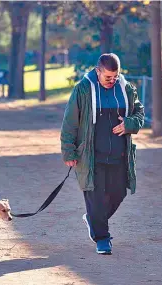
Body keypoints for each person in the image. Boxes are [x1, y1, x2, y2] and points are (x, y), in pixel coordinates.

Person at [60, 53, 144, 255]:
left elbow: (139, 113)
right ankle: (102, 238)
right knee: (96, 198)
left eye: (115, 76)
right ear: (98, 71)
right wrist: (68, 151)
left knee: (118, 193)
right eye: (108, 77)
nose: (112, 81)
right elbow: (70, 122)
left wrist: (129, 124)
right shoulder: (82, 89)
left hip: (119, 155)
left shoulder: (126, 88)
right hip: (91, 156)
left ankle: (93, 220)